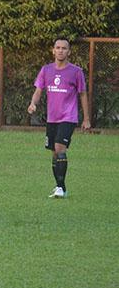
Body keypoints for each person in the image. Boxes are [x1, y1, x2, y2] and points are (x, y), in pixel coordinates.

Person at [28, 38, 90, 198]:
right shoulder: (46, 70)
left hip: (68, 117)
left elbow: (83, 94)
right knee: (54, 153)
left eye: (64, 48)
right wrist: (33, 103)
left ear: (69, 52)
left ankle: (61, 189)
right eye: (58, 47)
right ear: (53, 50)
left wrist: (86, 118)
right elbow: (38, 91)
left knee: (60, 148)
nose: (61, 50)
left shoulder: (76, 72)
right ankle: (59, 187)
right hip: (52, 118)